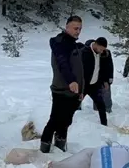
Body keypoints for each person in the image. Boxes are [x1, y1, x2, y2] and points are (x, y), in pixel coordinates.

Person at [41, 15, 86, 153]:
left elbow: (79, 70)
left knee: (66, 120)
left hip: (74, 90)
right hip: (61, 88)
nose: (78, 31)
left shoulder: (74, 44)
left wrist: (81, 89)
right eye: (75, 28)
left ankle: (60, 144)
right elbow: (62, 64)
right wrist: (71, 80)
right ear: (67, 27)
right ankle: (45, 146)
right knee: (55, 119)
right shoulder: (60, 43)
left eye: (80, 29)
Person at [81, 37, 114, 126]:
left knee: (101, 105)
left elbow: (105, 68)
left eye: (103, 50)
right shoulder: (84, 52)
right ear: (96, 44)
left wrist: (106, 81)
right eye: (100, 49)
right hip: (83, 85)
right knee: (73, 104)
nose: (101, 51)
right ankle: (67, 123)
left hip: (94, 85)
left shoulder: (103, 54)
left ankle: (104, 125)